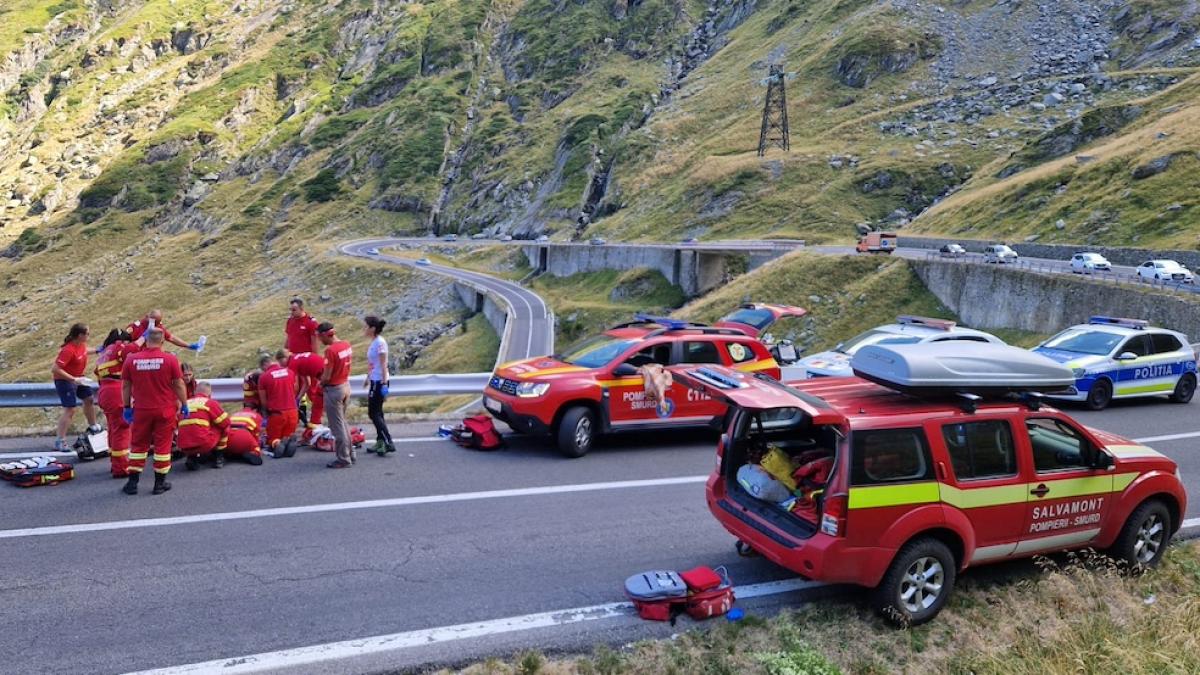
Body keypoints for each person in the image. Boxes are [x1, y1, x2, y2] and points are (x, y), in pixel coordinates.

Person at [121, 328, 187, 495]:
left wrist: (127, 407)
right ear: (162, 341)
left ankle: (132, 483)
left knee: (138, 445)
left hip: (142, 409)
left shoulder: (131, 360)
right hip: (165, 409)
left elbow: (126, 386)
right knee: (163, 446)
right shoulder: (170, 359)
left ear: (145, 340)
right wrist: (185, 404)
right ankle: (159, 483)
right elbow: (178, 384)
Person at [51, 323, 100, 452]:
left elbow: (84, 351)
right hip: (65, 381)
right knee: (70, 409)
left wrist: (98, 350)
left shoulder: (81, 345)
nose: (89, 336)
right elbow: (55, 369)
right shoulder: (68, 350)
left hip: (79, 378)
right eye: (87, 334)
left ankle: (93, 426)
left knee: (89, 399)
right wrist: (73, 379)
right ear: (80, 335)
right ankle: (60, 441)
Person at [94, 329, 136, 477]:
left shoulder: (104, 354)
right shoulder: (119, 347)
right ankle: (121, 468)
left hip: (104, 392)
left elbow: (97, 374)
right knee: (122, 430)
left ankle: (115, 462)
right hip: (115, 391)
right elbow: (133, 349)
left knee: (113, 428)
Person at [318, 322, 354, 468]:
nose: (320, 341)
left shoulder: (330, 351)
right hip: (346, 386)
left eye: (320, 337)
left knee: (337, 426)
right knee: (343, 423)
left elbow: (327, 376)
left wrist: (320, 383)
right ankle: (350, 453)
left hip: (334, 390)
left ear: (324, 335)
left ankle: (343, 459)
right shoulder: (346, 345)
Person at [178, 381, 230, 470]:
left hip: (183, 446)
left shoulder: (185, 403)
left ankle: (192, 458)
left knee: (190, 427)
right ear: (209, 393)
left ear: (195, 392)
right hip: (203, 444)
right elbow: (226, 422)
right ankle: (219, 458)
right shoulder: (210, 402)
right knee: (224, 427)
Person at [259, 349, 299, 457]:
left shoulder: (264, 377)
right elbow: (295, 389)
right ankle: (289, 440)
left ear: (264, 365)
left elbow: (263, 401)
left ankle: (276, 444)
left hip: (277, 414)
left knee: (272, 439)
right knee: (287, 435)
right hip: (293, 411)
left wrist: (265, 412)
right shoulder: (290, 372)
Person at [363, 316, 394, 455]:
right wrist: (367, 377)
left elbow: (383, 364)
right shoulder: (374, 342)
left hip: (379, 381)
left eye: (366, 326)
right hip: (374, 380)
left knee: (373, 413)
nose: (364, 329)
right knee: (378, 413)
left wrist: (384, 384)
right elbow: (373, 364)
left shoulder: (380, 343)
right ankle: (380, 441)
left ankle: (388, 441)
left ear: (372, 328)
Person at [284, 350, 325, 434]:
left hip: (324, 374)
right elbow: (307, 383)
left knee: (318, 404)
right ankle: (316, 428)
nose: (283, 366)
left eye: (281, 363)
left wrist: (291, 399)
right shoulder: (298, 360)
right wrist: (298, 398)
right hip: (323, 370)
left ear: (284, 359)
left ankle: (316, 430)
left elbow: (292, 384)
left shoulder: (292, 363)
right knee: (318, 404)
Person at [126, 309, 203, 352]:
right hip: (137, 359)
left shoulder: (159, 326)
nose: (156, 325)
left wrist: (188, 345)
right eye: (154, 322)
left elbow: (171, 338)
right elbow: (125, 344)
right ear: (147, 317)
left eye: (158, 322)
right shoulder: (134, 327)